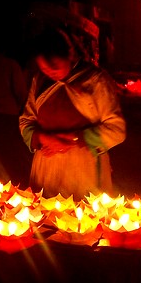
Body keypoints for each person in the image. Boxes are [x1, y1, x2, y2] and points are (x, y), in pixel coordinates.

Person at [19, 27, 126, 199]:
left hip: (84, 167)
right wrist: (44, 138)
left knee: (83, 219)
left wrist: (74, 138)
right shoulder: (39, 81)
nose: (49, 72)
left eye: (54, 66)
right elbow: (26, 120)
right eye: (44, 68)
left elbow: (117, 130)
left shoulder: (94, 80)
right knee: (45, 218)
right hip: (46, 165)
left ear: (70, 54)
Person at [0, 39, 31, 186]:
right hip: (6, 112)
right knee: (6, 149)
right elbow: (20, 90)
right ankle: (7, 181)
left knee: (2, 149)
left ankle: (4, 181)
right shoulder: (8, 65)